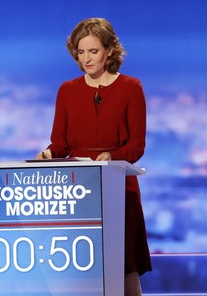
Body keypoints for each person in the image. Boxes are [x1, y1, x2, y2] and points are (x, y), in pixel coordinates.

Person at [36, 17, 151, 295]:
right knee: (82, 275)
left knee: (126, 274)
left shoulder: (130, 88)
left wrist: (110, 157)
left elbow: (136, 146)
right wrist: (49, 153)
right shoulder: (67, 91)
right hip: (79, 191)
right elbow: (60, 144)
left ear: (109, 50)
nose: (86, 59)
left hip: (119, 188)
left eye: (93, 51)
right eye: (81, 52)